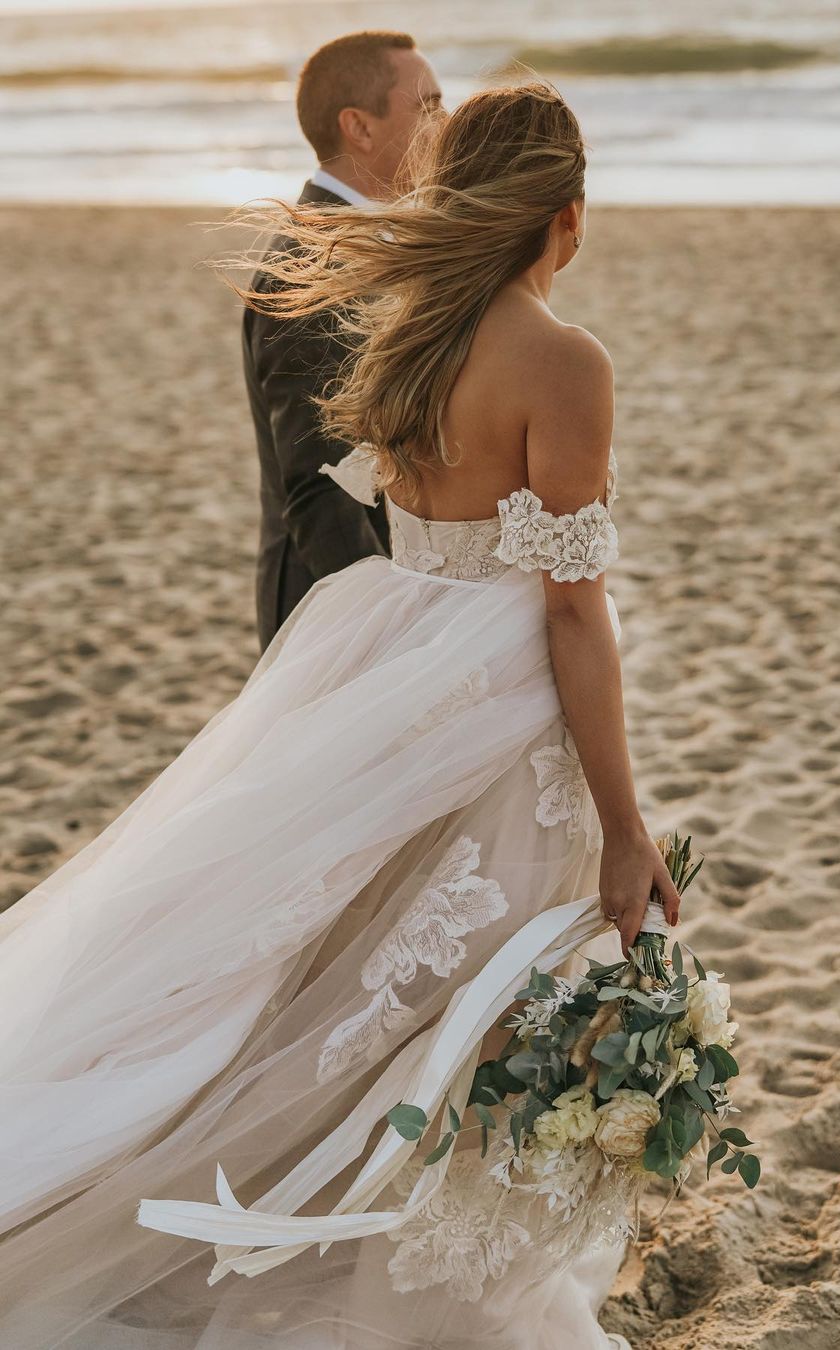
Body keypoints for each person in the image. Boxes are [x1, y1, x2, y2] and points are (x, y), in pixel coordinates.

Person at [0, 83, 679, 1349]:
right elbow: (572, 611)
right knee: (474, 982)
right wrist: (626, 823)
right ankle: (411, 1265)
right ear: (566, 219)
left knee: (345, 957)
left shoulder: (408, 329)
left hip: (382, 643)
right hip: (493, 678)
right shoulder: (562, 361)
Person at [245, 30, 444, 650]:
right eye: (429, 105)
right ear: (359, 126)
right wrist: (383, 636)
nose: (446, 123)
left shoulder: (370, 241)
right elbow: (319, 485)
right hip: (330, 618)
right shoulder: (308, 266)